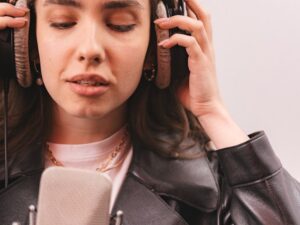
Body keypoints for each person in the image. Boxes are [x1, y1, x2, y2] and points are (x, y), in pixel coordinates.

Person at [0, 0, 299, 224]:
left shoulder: (209, 193)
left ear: (157, 49)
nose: (90, 49)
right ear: (25, 43)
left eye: (120, 24)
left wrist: (213, 112)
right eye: (64, 22)